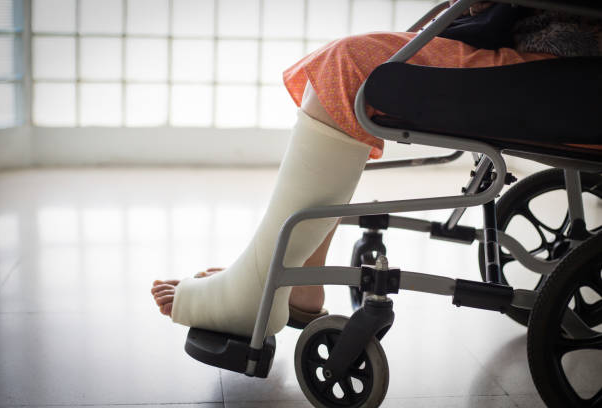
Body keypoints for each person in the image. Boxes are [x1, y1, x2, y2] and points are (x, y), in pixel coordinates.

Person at [151, 2, 602, 337]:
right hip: (558, 62)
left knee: (347, 64)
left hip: (565, 70)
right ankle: (292, 281)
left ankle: (256, 290)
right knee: (346, 66)